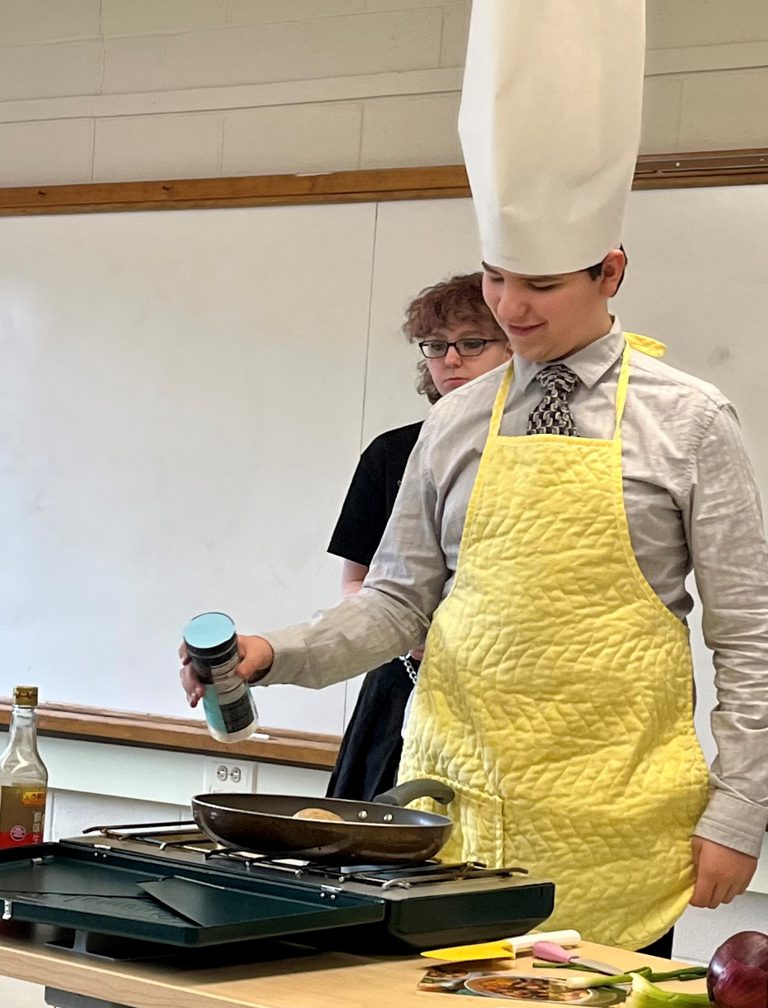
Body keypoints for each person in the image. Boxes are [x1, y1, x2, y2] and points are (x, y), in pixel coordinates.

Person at [181, 2, 768, 954]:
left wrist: (739, 812)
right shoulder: (454, 423)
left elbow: (751, 639)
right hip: (445, 816)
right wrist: (272, 654)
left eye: (541, 284)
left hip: (619, 827)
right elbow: (398, 605)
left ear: (610, 270)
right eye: (498, 277)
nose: (511, 307)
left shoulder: (690, 420)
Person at [326, 273, 511, 801]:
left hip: (499, 692)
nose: (450, 360)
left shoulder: (545, 452)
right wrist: (415, 643)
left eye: (472, 343)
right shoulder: (391, 453)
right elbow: (357, 582)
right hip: (400, 684)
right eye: (435, 346)